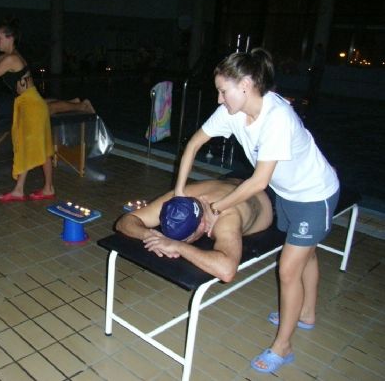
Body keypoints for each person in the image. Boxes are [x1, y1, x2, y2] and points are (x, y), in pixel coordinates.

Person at [174, 48, 340, 373]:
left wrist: (215, 208)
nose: (219, 99)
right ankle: (305, 313)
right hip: (288, 194)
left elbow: (258, 181)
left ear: (246, 85)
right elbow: (194, 144)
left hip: (315, 195)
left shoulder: (277, 118)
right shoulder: (232, 113)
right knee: (307, 254)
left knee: (289, 269)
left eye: (223, 90)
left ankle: (284, 345)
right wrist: (180, 193)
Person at [116, 178, 273, 282]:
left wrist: (178, 246)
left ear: (202, 226)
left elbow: (227, 271)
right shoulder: (179, 199)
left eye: (186, 238)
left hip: (264, 196)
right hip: (233, 183)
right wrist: (149, 234)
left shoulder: (227, 219)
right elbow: (124, 222)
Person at [0, 64, 55, 203]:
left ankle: (23, 190)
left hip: (32, 106)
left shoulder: (12, 58)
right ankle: (46, 188)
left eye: (0, 40)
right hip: (32, 103)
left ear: (10, 40)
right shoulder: (11, 59)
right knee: (42, 148)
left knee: (29, 146)